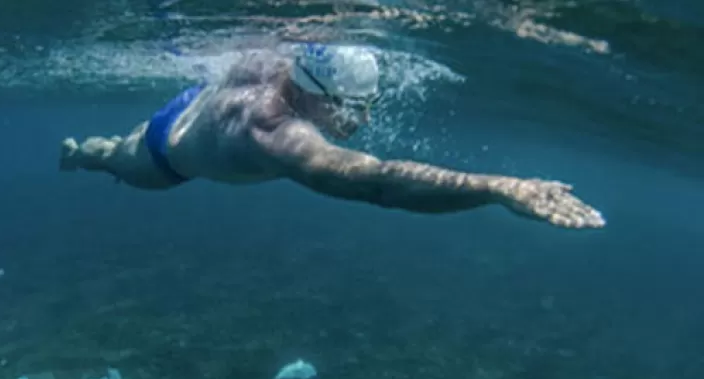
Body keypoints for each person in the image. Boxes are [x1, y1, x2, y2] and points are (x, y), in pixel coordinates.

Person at [58, 44, 605, 229]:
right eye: (347, 107)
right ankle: (79, 154)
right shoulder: (275, 133)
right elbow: (376, 184)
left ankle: (92, 151)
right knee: (109, 156)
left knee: (119, 145)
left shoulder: (286, 65)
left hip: (197, 101)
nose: (359, 120)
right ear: (309, 91)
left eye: (367, 106)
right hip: (163, 156)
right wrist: (494, 187)